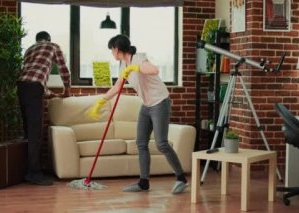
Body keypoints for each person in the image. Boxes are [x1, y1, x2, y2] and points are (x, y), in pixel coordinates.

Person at [88, 34, 188, 194]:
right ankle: (143, 182)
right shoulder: (122, 65)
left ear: (117, 49)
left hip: (160, 103)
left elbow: (154, 70)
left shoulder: (138, 58)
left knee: (161, 144)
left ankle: (181, 178)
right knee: (141, 143)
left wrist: (136, 68)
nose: (112, 53)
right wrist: (101, 101)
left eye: (112, 50)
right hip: (146, 105)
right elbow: (117, 87)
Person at [17, 31, 71, 186]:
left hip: (21, 86)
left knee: (28, 131)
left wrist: (52, 94)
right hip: (34, 88)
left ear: (37, 40)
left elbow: (34, 80)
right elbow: (63, 70)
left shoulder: (29, 50)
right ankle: (34, 173)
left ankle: (29, 171)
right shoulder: (53, 46)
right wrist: (67, 90)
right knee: (36, 133)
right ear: (48, 39)